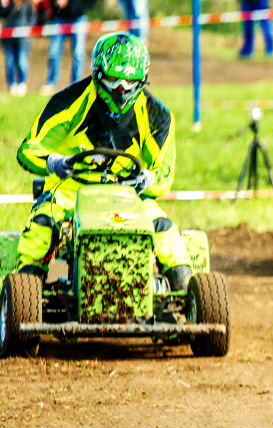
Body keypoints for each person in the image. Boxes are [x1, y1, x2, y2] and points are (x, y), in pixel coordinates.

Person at [15, 32, 193, 290]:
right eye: (113, 80)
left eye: (129, 82)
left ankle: (185, 296)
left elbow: (164, 171)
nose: (121, 90)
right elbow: (29, 148)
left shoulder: (158, 116)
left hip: (129, 193)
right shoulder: (69, 101)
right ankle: (27, 291)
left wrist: (149, 178)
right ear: (98, 74)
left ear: (141, 79)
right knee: (42, 225)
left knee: (165, 231)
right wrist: (53, 162)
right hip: (70, 190)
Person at [39, 0, 96, 95]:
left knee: (78, 53)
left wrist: (77, 6)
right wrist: (55, 3)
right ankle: (50, 83)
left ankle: (76, 84)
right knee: (54, 52)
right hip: (59, 17)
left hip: (78, 17)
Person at [0, 0, 35, 96]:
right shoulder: (8, 4)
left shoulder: (27, 5)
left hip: (23, 39)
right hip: (8, 39)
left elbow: (32, 20)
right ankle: (12, 84)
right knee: (10, 62)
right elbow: (3, 15)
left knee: (22, 61)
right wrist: (3, 5)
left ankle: (22, 84)